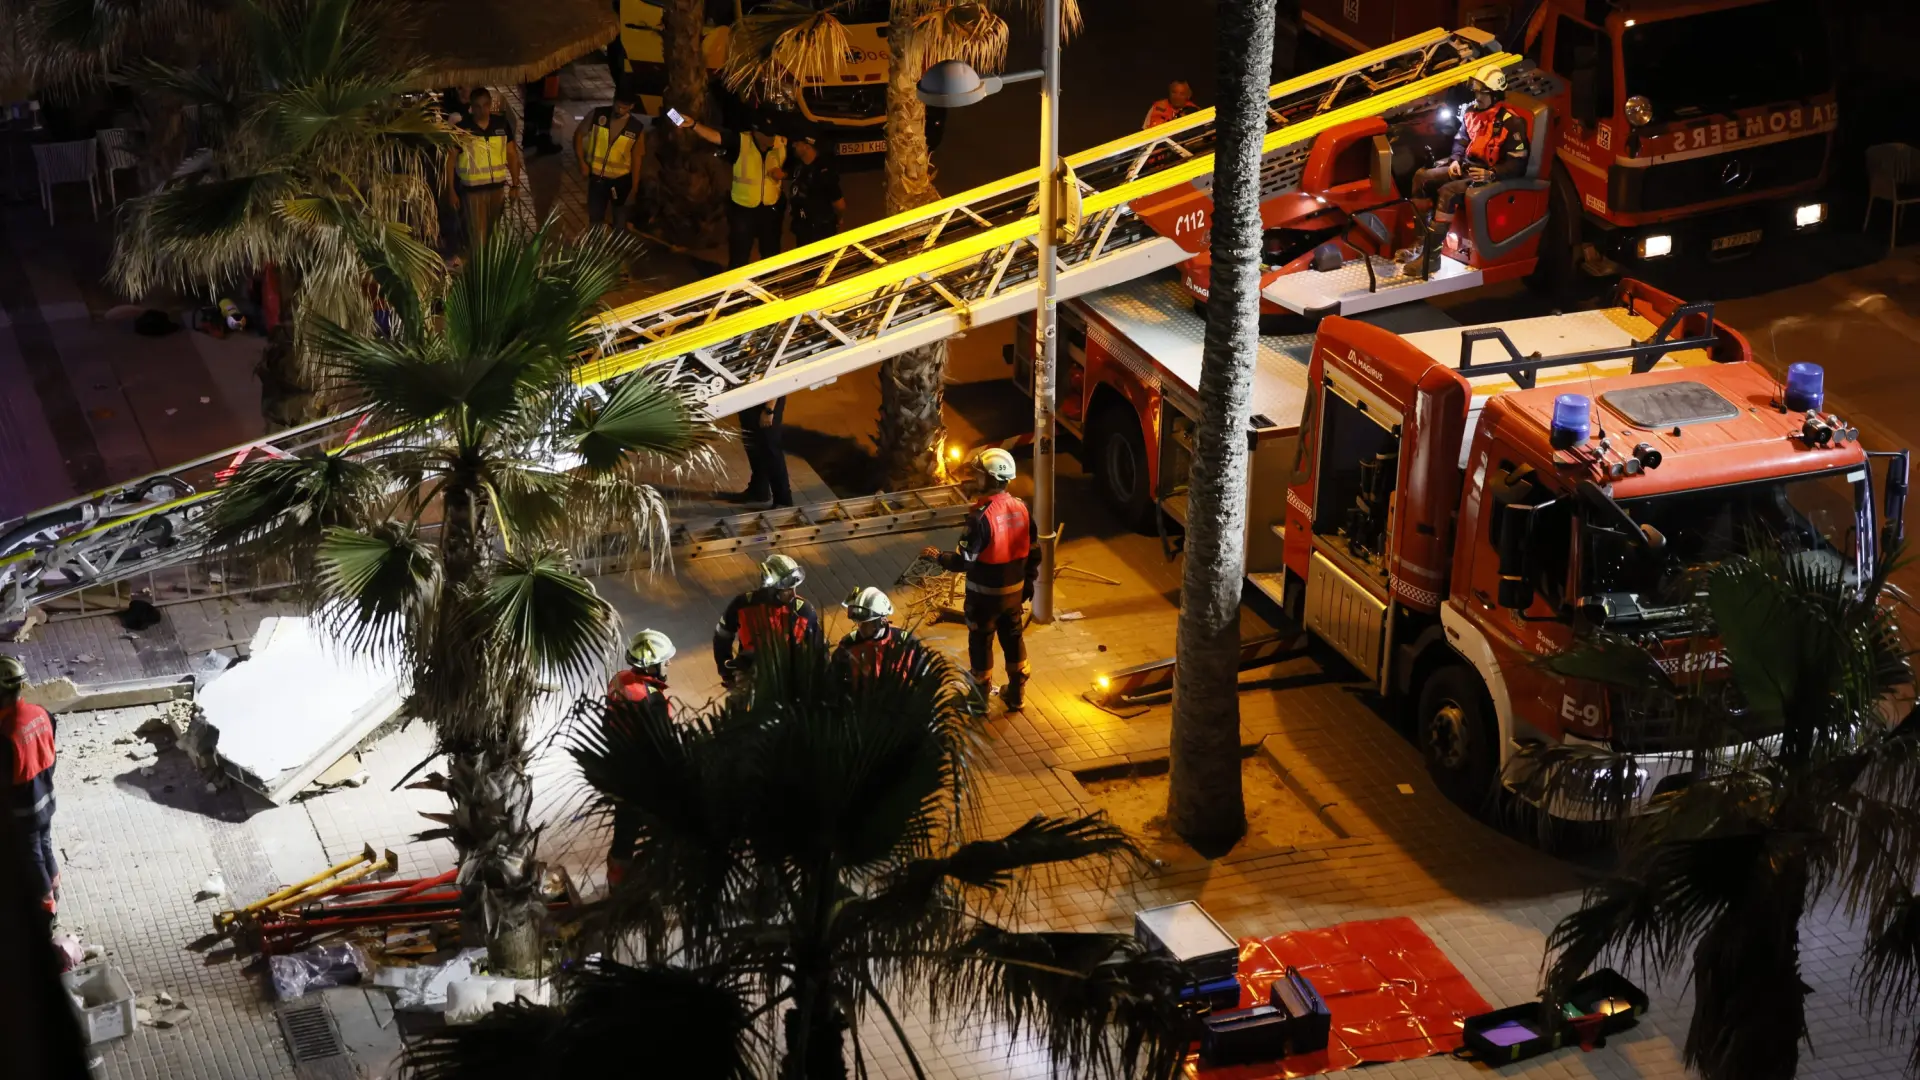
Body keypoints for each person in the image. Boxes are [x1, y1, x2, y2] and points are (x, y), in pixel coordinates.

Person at [920, 448, 1040, 710]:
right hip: (1014, 595)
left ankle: (977, 700)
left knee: (981, 642)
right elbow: (1034, 550)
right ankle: (1016, 695)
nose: (975, 479)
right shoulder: (1022, 508)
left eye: (979, 475)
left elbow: (964, 561)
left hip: (984, 598)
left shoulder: (979, 517)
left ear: (991, 479)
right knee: (1013, 637)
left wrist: (939, 557)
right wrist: (1028, 583)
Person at [1402, 65, 1529, 279]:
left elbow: (1518, 164)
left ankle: (1432, 259)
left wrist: (1492, 174)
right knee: (1421, 177)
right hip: (1466, 168)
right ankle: (1420, 243)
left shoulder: (1513, 123)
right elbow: (1461, 140)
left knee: (1448, 192)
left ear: (1495, 94)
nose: (1477, 96)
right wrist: (1455, 160)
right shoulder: (1471, 113)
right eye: (1476, 91)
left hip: (1487, 176)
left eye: (1482, 93)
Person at [672, 110, 786, 268]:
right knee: (739, 254)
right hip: (743, 209)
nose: (771, 139)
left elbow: (796, 165)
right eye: (767, 135)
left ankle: (772, 285)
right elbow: (715, 137)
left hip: (770, 208)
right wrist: (694, 125)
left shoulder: (781, 144)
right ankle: (736, 289)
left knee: (771, 252)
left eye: (773, 134)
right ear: (756, 132)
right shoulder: (742, 141)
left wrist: (784, 174)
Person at [603, 630, 672, 887]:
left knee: (624, 830)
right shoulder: (652, 699)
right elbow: (662, 745)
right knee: (658, 830)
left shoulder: (620, 679)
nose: (668, 664)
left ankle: (616, 881)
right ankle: (654, 885)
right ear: (652, 666)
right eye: (664, 661)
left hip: (618, 767)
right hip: (645, 777)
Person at [713, 554, 823, 686]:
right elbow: (722, 637)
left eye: (793, 588)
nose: (793, 594)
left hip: (789, 679)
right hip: (749, 672)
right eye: (787, 590)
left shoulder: (804, 611)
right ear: (771, 587)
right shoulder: (743, 604)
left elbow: (819, 648)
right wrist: (726, 672)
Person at [2, 656, 57, 920]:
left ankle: (46, 906)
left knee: (32, 853)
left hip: (24, 807)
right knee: (45, 843)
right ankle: (55, 885)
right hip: (47, 794)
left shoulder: (5, 732)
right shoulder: (42, 714)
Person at [445, 87, 524, 250]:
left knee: (493, 234)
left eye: (485, 105)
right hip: (473, 192)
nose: (482, 110)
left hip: (497, 190)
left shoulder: (501, 124)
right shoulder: (463, 128)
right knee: (478, 237)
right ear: (471, 107)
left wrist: (515, 185)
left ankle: (490, 269)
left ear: (490, 104)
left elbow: (512, 154)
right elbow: (450, 160)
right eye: (478, 106)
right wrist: (451, 191)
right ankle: (478, 270)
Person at [576, 88, 647, 231]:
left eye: (624, 108)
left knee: (620, 220)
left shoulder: (636, 128)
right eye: (618, 105)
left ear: (631, 107)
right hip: (597, 179)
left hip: (620, 181)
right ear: (614, 101)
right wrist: (582, 162)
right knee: (595, 219)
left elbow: (637, 157)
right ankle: (595, 250)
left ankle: (616, 251)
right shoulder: (597, 115)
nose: (620, 110)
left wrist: (635, 185)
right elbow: (578, 136)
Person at [832, 587, 919, 681]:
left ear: (883, 621)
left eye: (867, 623)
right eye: (860, 623)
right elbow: (833, 680)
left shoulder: (907, 644)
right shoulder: (848, 645)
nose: (862, 628)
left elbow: (924, 681)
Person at [722, 396, 793, 508]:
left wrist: (769, 409)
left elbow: (774, 382)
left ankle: (783, 500)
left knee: (770, 449)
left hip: (766, 403)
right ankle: (759, 490)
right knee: (753, 447)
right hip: (749, 400)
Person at [785, 135, 845, 247]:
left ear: (807, 147)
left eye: (798, 143)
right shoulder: (800, 167)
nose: (794, 146)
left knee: (820, 263)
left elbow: (840, 205)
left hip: (819, 231)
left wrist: (839, 220)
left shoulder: (824, 172)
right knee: (806, 263)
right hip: (803, 228)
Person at [523, 72, 563, 156]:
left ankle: (529, 135)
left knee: (531, 96)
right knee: (546, 100)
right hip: (546, 68)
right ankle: (543, 138)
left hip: (531, 69)